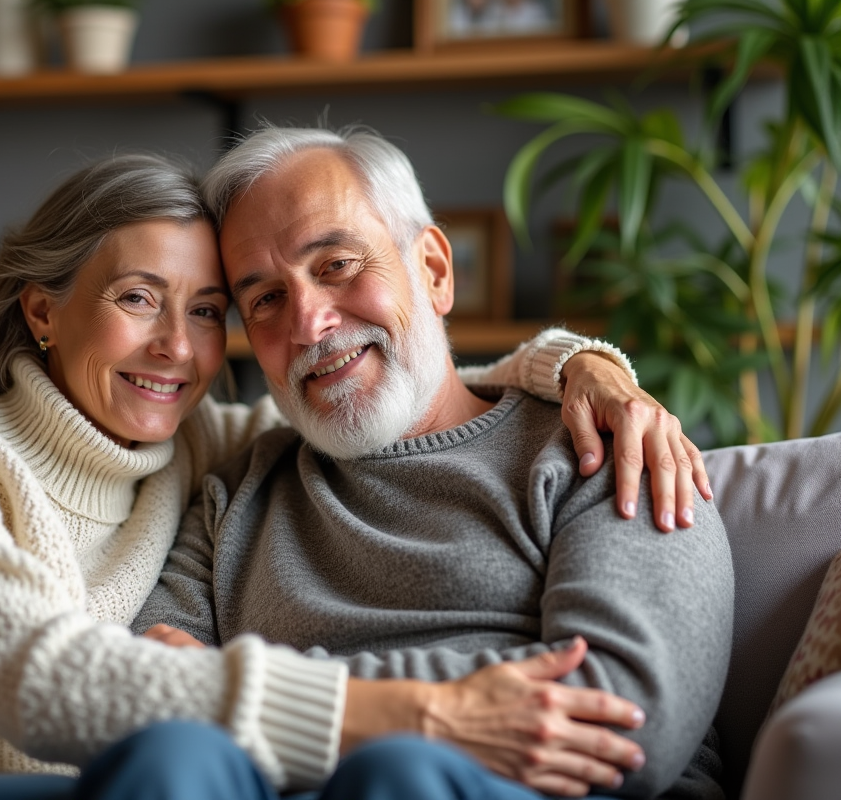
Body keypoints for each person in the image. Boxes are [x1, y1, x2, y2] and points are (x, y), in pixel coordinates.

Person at [0, 149, 702, 800]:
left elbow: (404, 401)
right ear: (42, 313)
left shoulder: (202, 447)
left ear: (434, 267)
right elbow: (51, 684)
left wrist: (584, 367)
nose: (176, 347)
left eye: (210, 310)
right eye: (138, 299)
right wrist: (421, 710)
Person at [128, 126, 734, 799]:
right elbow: (150, 689)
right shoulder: (235, 492)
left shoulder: (606, 445)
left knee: (398, 774)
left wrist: (269, 700)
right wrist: (412, 713)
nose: (307, 323)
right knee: (169, 762)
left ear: (435, 272)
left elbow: (625, 722)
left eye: (336, 265)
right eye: (265, 298)